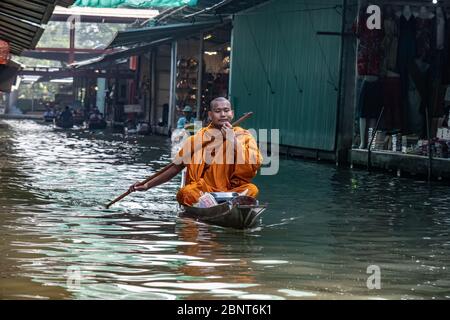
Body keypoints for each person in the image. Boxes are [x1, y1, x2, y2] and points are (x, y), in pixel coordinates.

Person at [130, 97, 263, 207]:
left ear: (232, 113)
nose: (223, 114)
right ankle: (216, 205)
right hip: (203, 191)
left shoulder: (243, 136)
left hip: (231, 190)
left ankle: (224, 204)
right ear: (210, 115)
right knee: (185, 193)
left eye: (226, 110)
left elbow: (253, 165)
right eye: (217, 111)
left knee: (252, 189)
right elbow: (175, 167)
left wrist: (233, 141)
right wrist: (147, 185)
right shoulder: (196, 140)